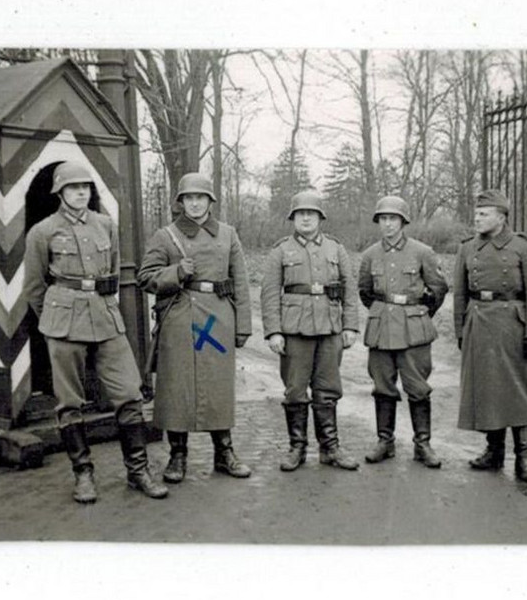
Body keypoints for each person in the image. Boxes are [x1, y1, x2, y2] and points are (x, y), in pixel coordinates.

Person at [21, 161, 166, 503]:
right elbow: (34, 287)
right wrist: (56, 320)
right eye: (73, 188)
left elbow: (112, 272)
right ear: (60, 193)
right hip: (63, 320)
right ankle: (83, 474)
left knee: (129, 392)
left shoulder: (105, 224)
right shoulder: (42, 231)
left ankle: (138, 470)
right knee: (70, 402)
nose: (80, 192)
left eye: (85, 187)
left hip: (104, 316)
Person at [137, 172, 253, 483]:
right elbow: (145, 277)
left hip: (218, 317)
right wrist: (176, 272)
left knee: (218, 385)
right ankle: (178, 455)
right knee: (176, 386)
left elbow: (240, 281)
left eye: (200, 197)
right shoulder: (166, 235)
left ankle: (224, 452)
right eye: (189, 198)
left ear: (210, 201)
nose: (195, 203)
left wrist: (242, 326)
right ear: (181, 203)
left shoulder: (228, 234)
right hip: (179, 317)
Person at [452, 189, 527, 486]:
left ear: (501, 216)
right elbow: (459, 293)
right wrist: (460, 330)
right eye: (476, 214)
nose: (477, 219)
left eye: (483, 214)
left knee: (519, 389)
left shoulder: (522, 246)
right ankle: (494, 452)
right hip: (479, 323)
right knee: (487, 389)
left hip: (512, 325)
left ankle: (524, 457)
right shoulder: (467, 248)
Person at [261, 190, 361, 471]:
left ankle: (330, 448)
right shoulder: (280, 251)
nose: (306, 218)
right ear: (293, 218)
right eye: (300, 214)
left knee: (328, 390)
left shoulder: (335, 248)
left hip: (330, 328)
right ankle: (297, 448)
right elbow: (269, 294)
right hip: (294, 330)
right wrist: (274, 332)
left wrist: (350, 326)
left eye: (311, 213)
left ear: (320, 217)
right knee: (295, 391)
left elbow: (349, 290)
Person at [357, 195, 450, 467]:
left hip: (414, 330)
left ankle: (423, 444)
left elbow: (438, 289)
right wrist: (383, 312)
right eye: (383, 219)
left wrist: (419, 314)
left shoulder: (423, 252)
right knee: (383, 386)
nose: (387, 224)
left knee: (418, 387)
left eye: (393, 219)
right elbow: (365, 292)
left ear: (403, 221)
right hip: (381, 329)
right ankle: (385, 442)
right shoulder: (370, 254)